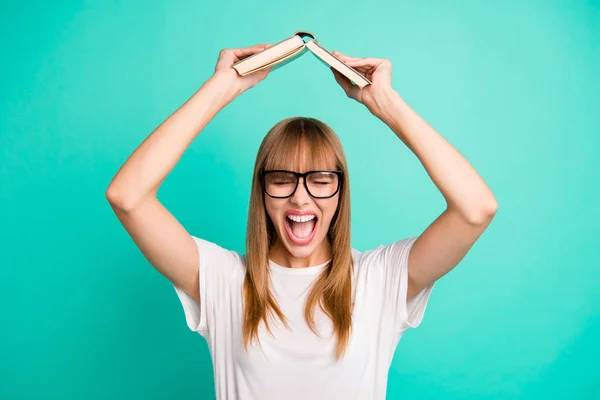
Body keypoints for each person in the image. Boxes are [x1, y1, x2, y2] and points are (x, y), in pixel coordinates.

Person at [106, 43, 498, 400]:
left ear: (341, 192)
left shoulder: (379, 278)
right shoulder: (223, 280)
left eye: (320, 180)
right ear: (261, 191)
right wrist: (222, 87)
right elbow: (128, 197)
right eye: (281, 179)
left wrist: (386, 104)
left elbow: (475, 209)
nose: (300, 196)